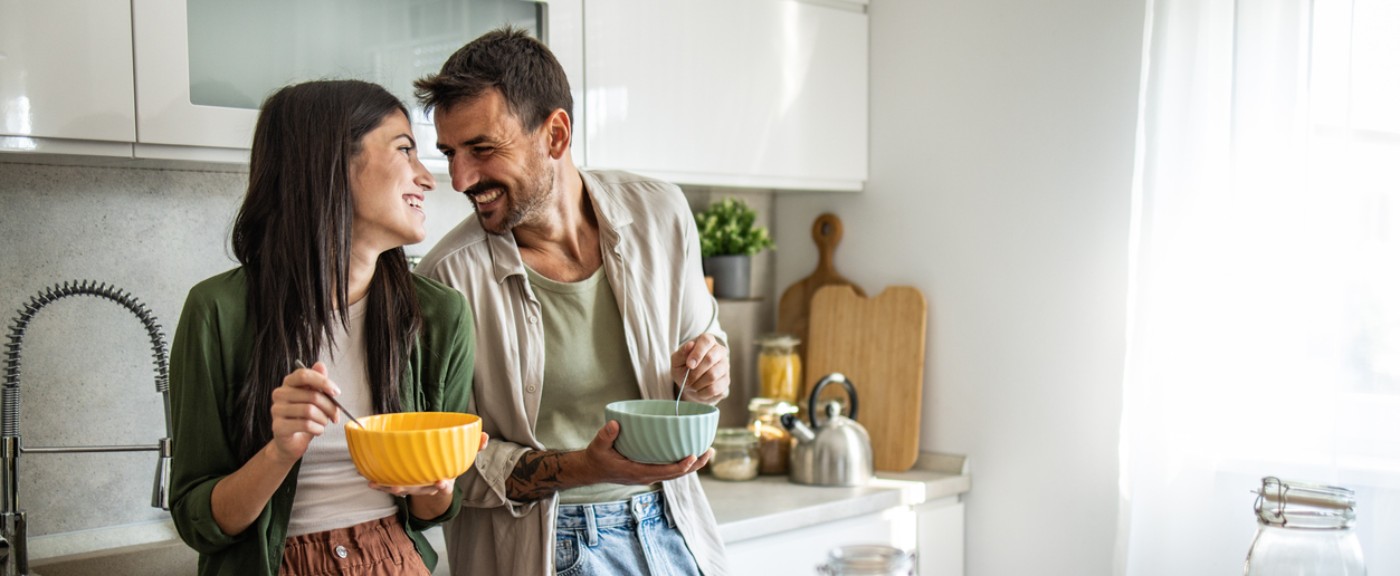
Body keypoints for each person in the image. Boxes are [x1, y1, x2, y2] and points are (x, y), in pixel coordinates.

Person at [412, 26, 731, 576]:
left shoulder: (661, 214)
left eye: (482, 149)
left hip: (677, 524)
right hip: (548, 544)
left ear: (555, 135)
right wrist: (585, 467)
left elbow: (705, 351)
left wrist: (706, 372)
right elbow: (446, 468)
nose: (460, 179)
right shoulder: (446, 279)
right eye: (450, 154)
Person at [168, 79, 481, 576]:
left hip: (393, 561)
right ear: (331, 162)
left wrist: (437, 480)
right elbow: (197, 521)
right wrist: (280, 451)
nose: (427, 178)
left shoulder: (440, 315)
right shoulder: (217, 312)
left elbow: (432, 513)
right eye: (405, 150)